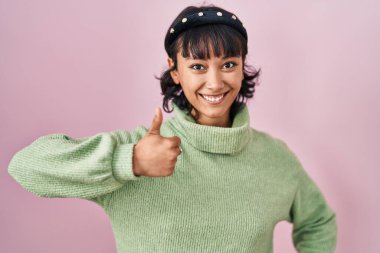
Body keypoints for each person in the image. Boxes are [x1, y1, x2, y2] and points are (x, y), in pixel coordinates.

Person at [7, 4, 337, 253]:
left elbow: (318, 222)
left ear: (242, 67)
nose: (215, 81)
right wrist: (130, 162)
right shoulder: (138, 150)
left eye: (228, 65)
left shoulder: (274, 157)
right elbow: (26, 167)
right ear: (174, 70)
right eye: (197, 66)